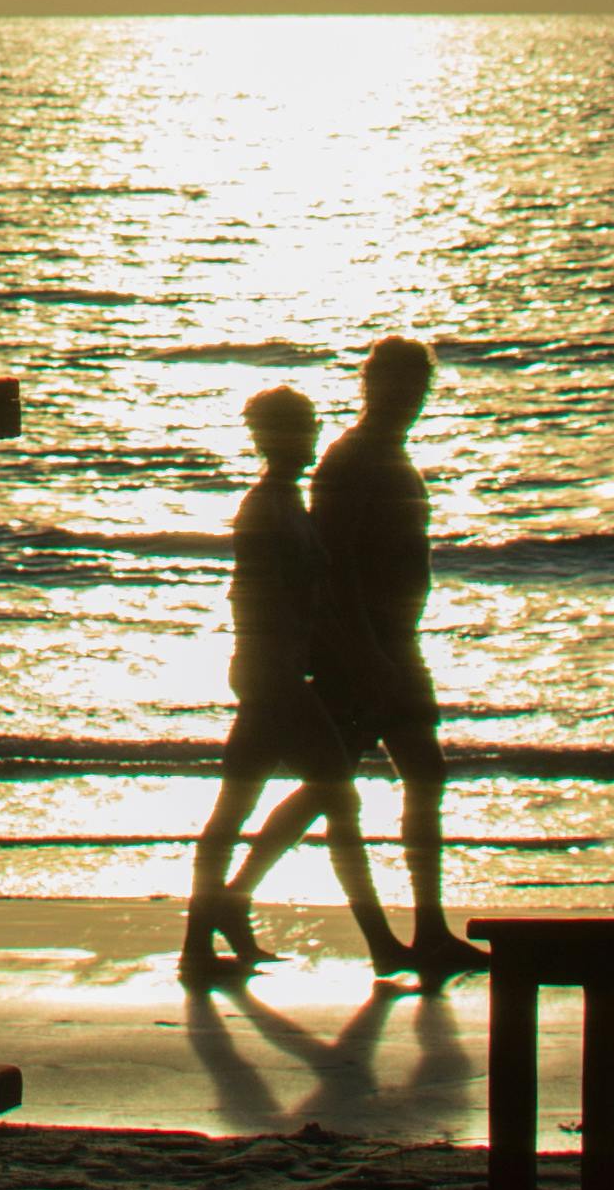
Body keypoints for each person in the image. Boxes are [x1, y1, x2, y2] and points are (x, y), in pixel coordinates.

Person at [179, 385, 408, 985]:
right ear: (272, 438)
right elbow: (277, 602)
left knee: (240, 810)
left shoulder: (283, 503)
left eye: (309, 427)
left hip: (272, 674)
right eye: (298, 429)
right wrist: (353, 662)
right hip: (274, 678)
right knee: (333, 800)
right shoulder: (270, 509)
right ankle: (380, 945)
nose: (309, 439)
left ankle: (204, 940)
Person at [303, 333, 477, 984]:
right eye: (397, 385)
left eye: (418, 387)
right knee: (325, 795)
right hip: (362, 650)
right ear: (372, 385)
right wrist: (367, 649)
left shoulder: (390, 453)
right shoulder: (351, 458)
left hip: (396, 644)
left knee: (422, 777)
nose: (410, 398)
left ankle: (427, 929)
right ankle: (227, 905)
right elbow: (334, 563)